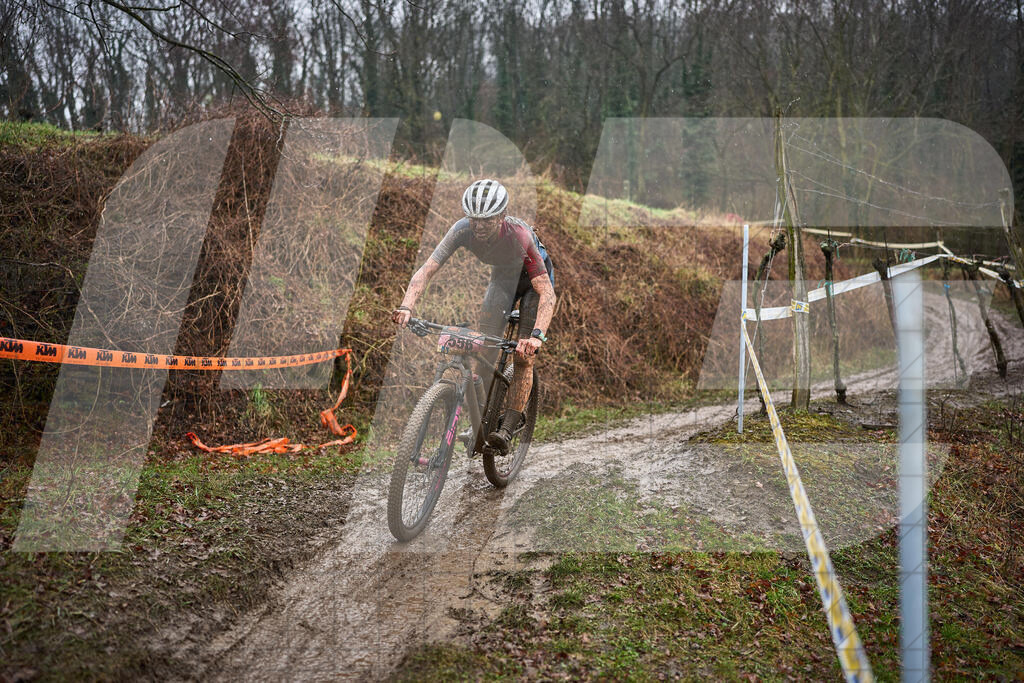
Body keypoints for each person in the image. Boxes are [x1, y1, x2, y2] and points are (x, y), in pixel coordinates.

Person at [392, 179, 556, 453]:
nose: (478, 226)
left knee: (523, 356)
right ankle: (479, 422)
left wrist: (537, 337)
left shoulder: (519, 235)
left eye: (487, 220)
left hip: (533, 284)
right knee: (485, 347)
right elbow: (426, 270)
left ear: (502, 217)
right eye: (474, 219)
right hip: (502, 280)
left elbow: (546, 293)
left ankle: (508, 427)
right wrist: (406, 307)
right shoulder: (461, 230)